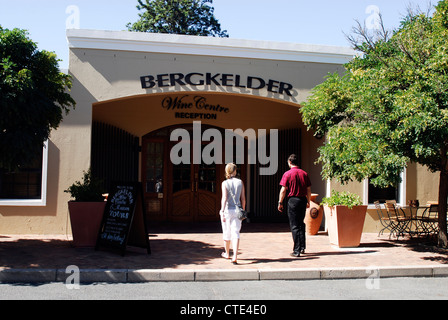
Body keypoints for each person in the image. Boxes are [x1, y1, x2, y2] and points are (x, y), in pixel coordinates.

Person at [278, 154, 312, 258]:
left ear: (289, 162)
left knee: (294, 225)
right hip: (302, 200)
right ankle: (302, 247)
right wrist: (308, 201)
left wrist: (280, 202)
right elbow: (308, 189)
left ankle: (296, 250)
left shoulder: (287, 174)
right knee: (301, 224)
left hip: (293, 200)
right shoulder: (304, 173)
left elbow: (283, 190)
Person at [219, 163, 246, 264]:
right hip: (237, 210)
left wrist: (222, 210)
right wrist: (242, 209)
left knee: (227, 233)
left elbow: (224, 198)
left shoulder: (224, 183)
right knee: (236, 233)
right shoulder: (240, 182)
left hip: (227, 210)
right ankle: (235, 255)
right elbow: (243, 198)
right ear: (235, 171)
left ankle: (227, 253)